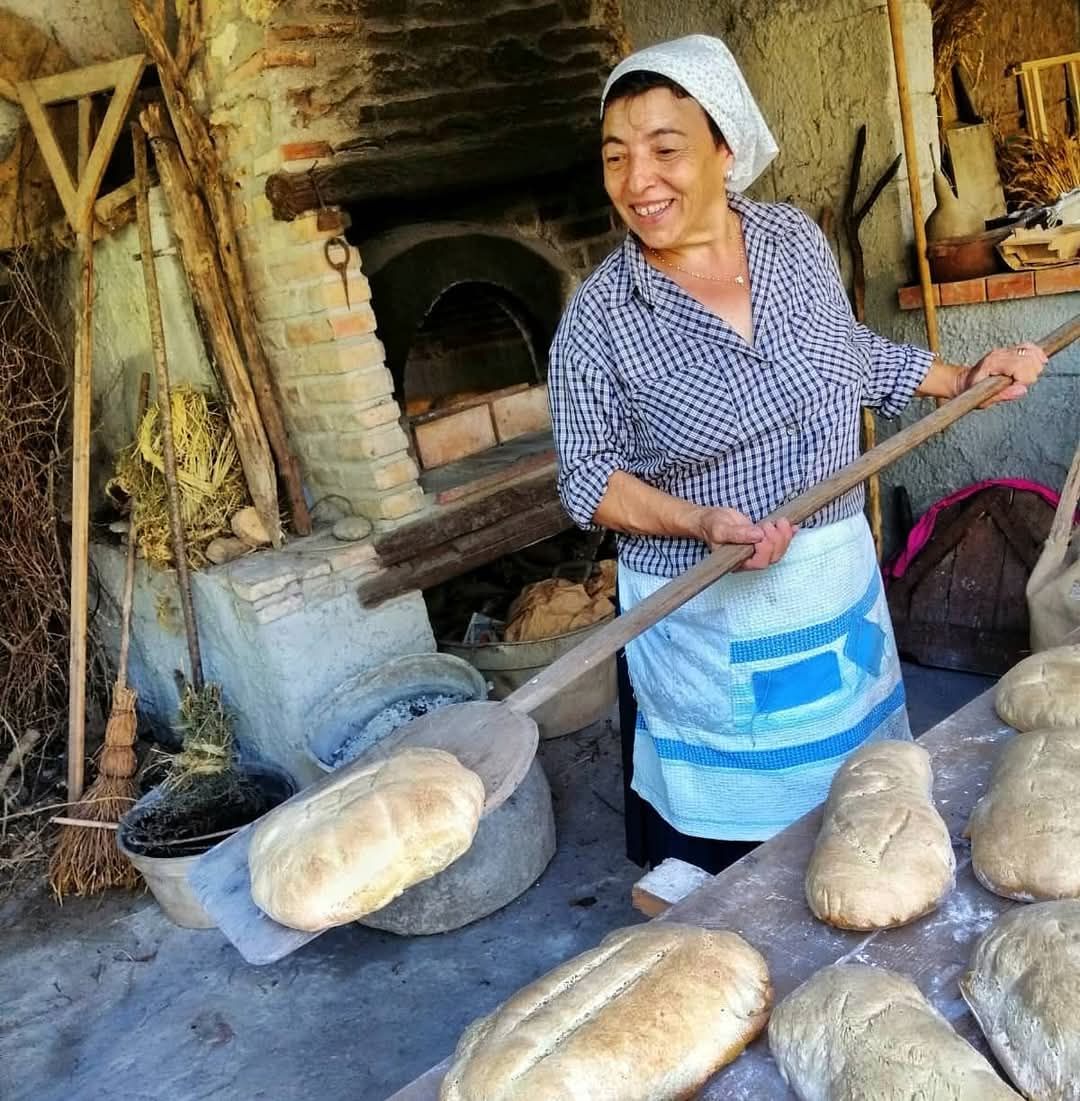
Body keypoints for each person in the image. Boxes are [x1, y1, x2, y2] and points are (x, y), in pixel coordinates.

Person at [547, 35, 1047, 874]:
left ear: (724, 149)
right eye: (616, 156)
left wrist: (962, 375)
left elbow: (844, 350)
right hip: (707, 611)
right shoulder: (600, 319)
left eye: (666, 149)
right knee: (736, 862)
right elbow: (587, 478)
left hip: (825, 580)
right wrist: (698, 520)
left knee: (861, 815)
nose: (639, 182)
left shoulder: (791, 242)